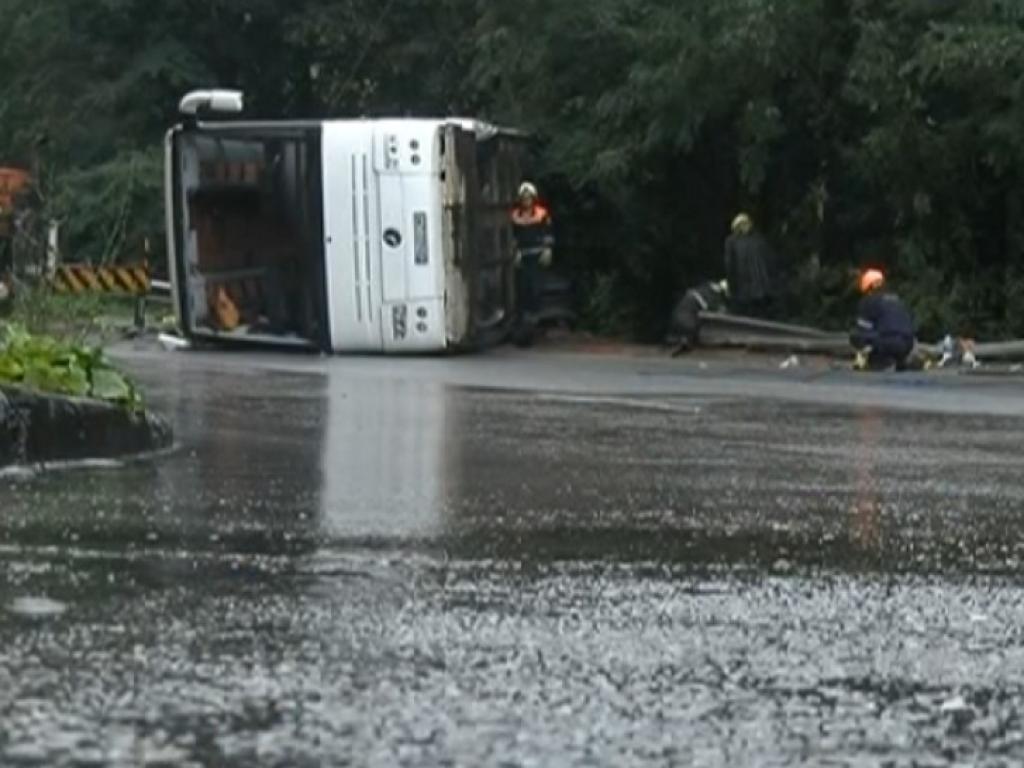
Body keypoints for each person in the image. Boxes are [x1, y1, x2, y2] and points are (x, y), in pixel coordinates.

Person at [511, 181, 554, 344]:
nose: (526, 201)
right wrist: (515, 252)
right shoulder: (515, 216)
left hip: (537, 256)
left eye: (529, 198)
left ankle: (534, 322)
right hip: (523, 256)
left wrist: (547, 249)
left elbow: (548, 232)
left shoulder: (542, 214)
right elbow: (513, 236)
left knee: (535, 288)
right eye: (524, 198)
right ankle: (524, 323)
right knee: (523, 289)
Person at [849, 268, 916, 370]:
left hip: (888, 343)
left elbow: (862, 329)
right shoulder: (896, 299)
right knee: (885, 334)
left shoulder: (868, 301)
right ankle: (901, 361)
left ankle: (882, 361)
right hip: (908, 343)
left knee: (856, 335)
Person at [723, 212, 778, 317]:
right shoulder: (760, 240)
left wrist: (731, 287)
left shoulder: (731, 241)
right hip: (762, 291)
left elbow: (730, 266)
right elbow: (771, 263)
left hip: (743, 291)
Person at [666, 279, 729, 353]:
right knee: (692, 324)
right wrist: (718, 309)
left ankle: (683, 340)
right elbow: (707, 306)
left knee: (691, 323)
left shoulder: (700, 290)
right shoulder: (706, 293)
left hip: (682, 317)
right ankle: (683, 340)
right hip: (686, 319)